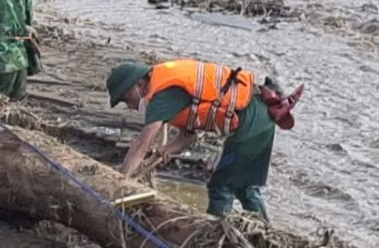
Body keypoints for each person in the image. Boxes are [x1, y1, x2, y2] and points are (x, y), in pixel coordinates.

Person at [108, 59, 303, 220]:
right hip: (259, 115)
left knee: (222, 186)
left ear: (139, 85)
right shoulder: (167, 92)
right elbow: (189, 134)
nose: (129, 106)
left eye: (126, 99)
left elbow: (141, 145)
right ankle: (263, 232)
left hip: (252, 118)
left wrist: (120, 183)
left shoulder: (162, 96)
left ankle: (212, 236)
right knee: (244, 186)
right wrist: (170, 148)